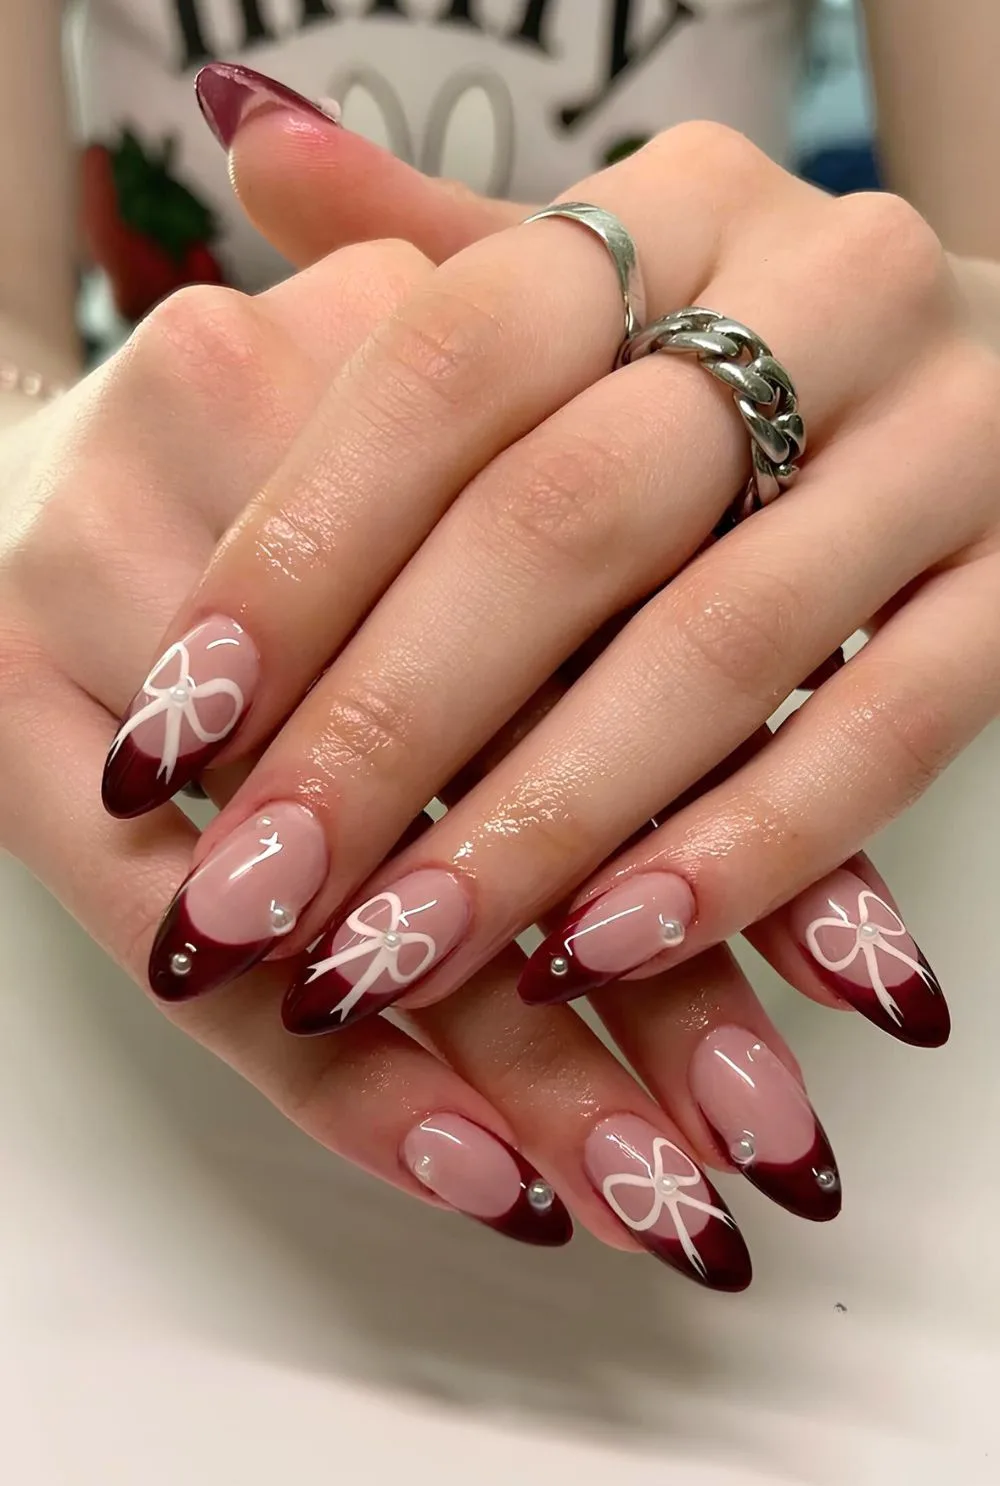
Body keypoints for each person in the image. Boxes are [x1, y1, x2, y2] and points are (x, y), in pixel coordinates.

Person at [2, 1, 999, 1291]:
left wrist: (960, 343)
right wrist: (30, 471)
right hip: (117, 900)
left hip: (756, 746)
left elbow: (975, 278)